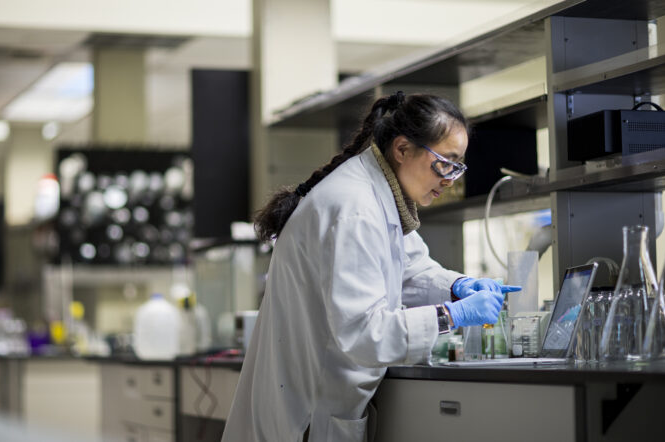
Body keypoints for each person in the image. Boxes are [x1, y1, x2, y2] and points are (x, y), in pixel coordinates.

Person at [221, 92, 520, 442]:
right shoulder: (356, 208)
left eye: (459, 166)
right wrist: (452, 315)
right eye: (445, 163)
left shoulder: (380, 196)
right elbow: (364, 333)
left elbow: (410, 268)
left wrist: (459, 286)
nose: (450, 179)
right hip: (304, 417)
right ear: (403, 149)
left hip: (321, 408)